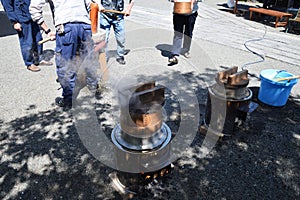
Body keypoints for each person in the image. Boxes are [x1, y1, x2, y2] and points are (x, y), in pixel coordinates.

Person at [30, 0, 100, 110]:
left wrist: (47, 30)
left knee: (65, 64)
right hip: (85, 26)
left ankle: (68, 99)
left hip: (66, 28)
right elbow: (90, 5)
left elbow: (34, 9)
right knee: (88, 58)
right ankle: (93, 86)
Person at [1, 0, 52, 72]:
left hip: (32, 15)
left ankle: (38, 59)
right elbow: (7, 6)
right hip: (21, 17)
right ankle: (29, 63)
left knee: (38, 39)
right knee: (27, 42)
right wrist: (14, 22)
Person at [96, 0, 135, 65]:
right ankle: (103, 58)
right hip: (105, 15)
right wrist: (99, 5)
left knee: (121, 38)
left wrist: (129, 9)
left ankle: (120, 56)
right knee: (104, 39)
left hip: (118, 16)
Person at [168, 0, 199, 65]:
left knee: (188, 33)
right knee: (178, 33)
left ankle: (186, 50)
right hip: (178, 11)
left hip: (191, 13)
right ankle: (175, 54)